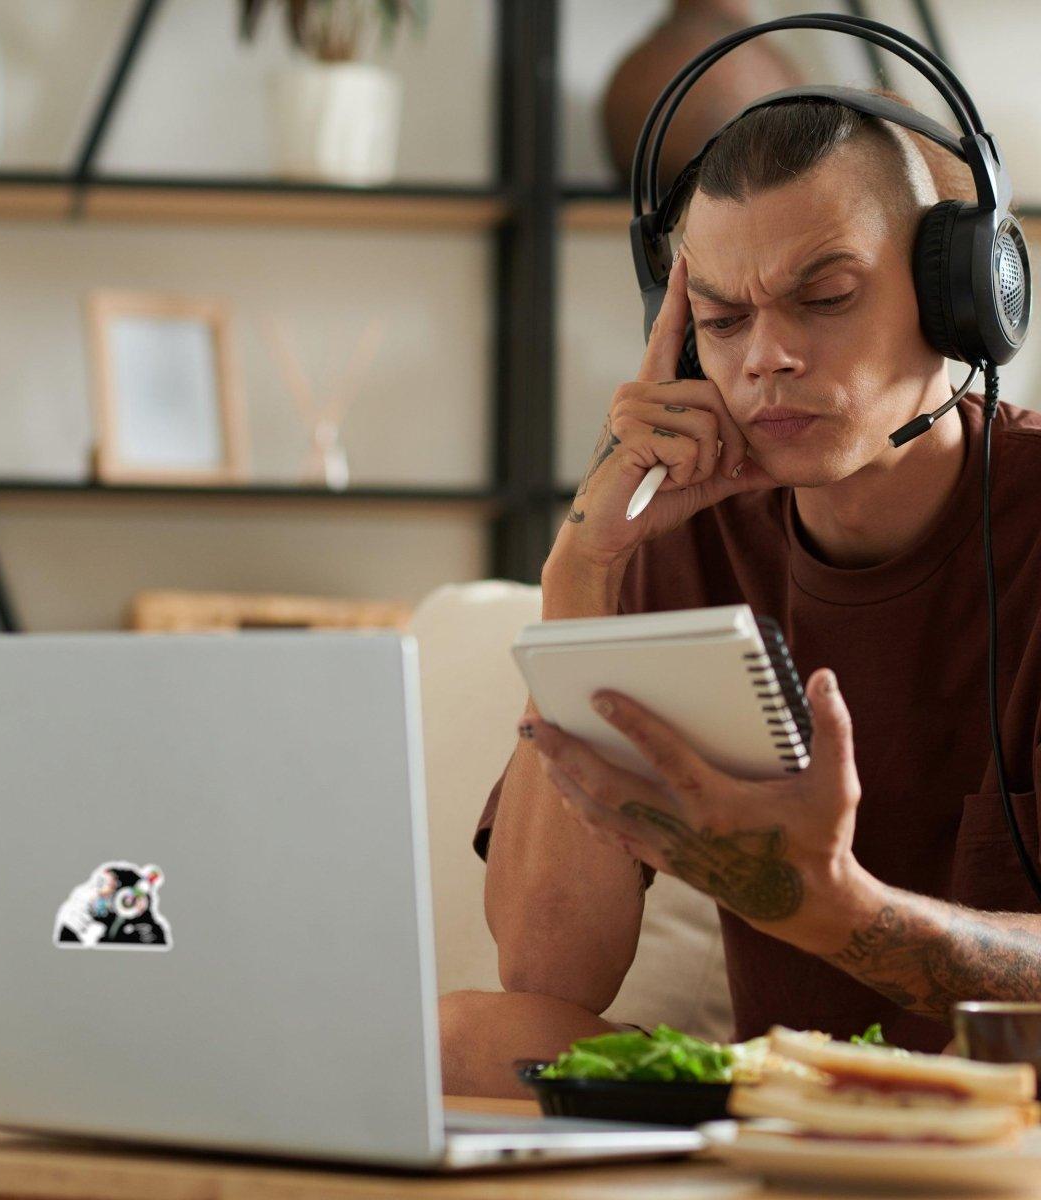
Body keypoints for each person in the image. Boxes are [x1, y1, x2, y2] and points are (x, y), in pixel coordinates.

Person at [439, 91, 1041, 1099]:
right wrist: (580, 580)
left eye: (827, 297)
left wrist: (839, 911)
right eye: (721, 319)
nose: (766, 357)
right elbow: (551, 972)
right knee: (464, 1041)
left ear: (960, 300)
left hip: (1010, 1105)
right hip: (788, 1098)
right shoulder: (676, 534)